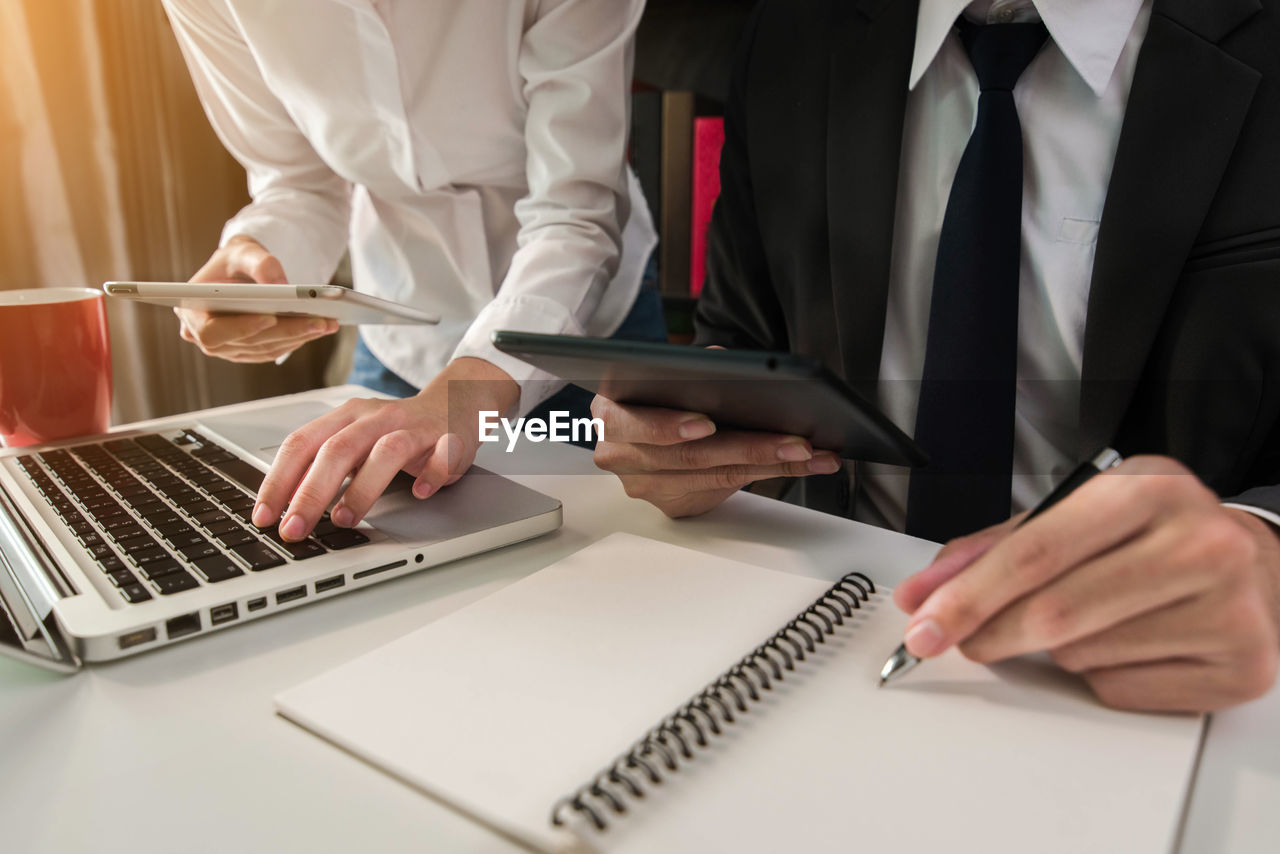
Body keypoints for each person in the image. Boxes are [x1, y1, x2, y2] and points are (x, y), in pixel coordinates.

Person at [591, 0, 1280, 712]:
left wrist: (1264, 549)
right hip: (831, 629)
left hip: (1152, 673)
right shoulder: (789, 29)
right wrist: (692, 444)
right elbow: (742, 332)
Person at [162, 0, 662, 542]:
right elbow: (299, 181)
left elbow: (576, 216)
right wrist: (256, 259)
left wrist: (463, 396)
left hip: (580, 327)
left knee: (618, 570)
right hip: (399, 335)